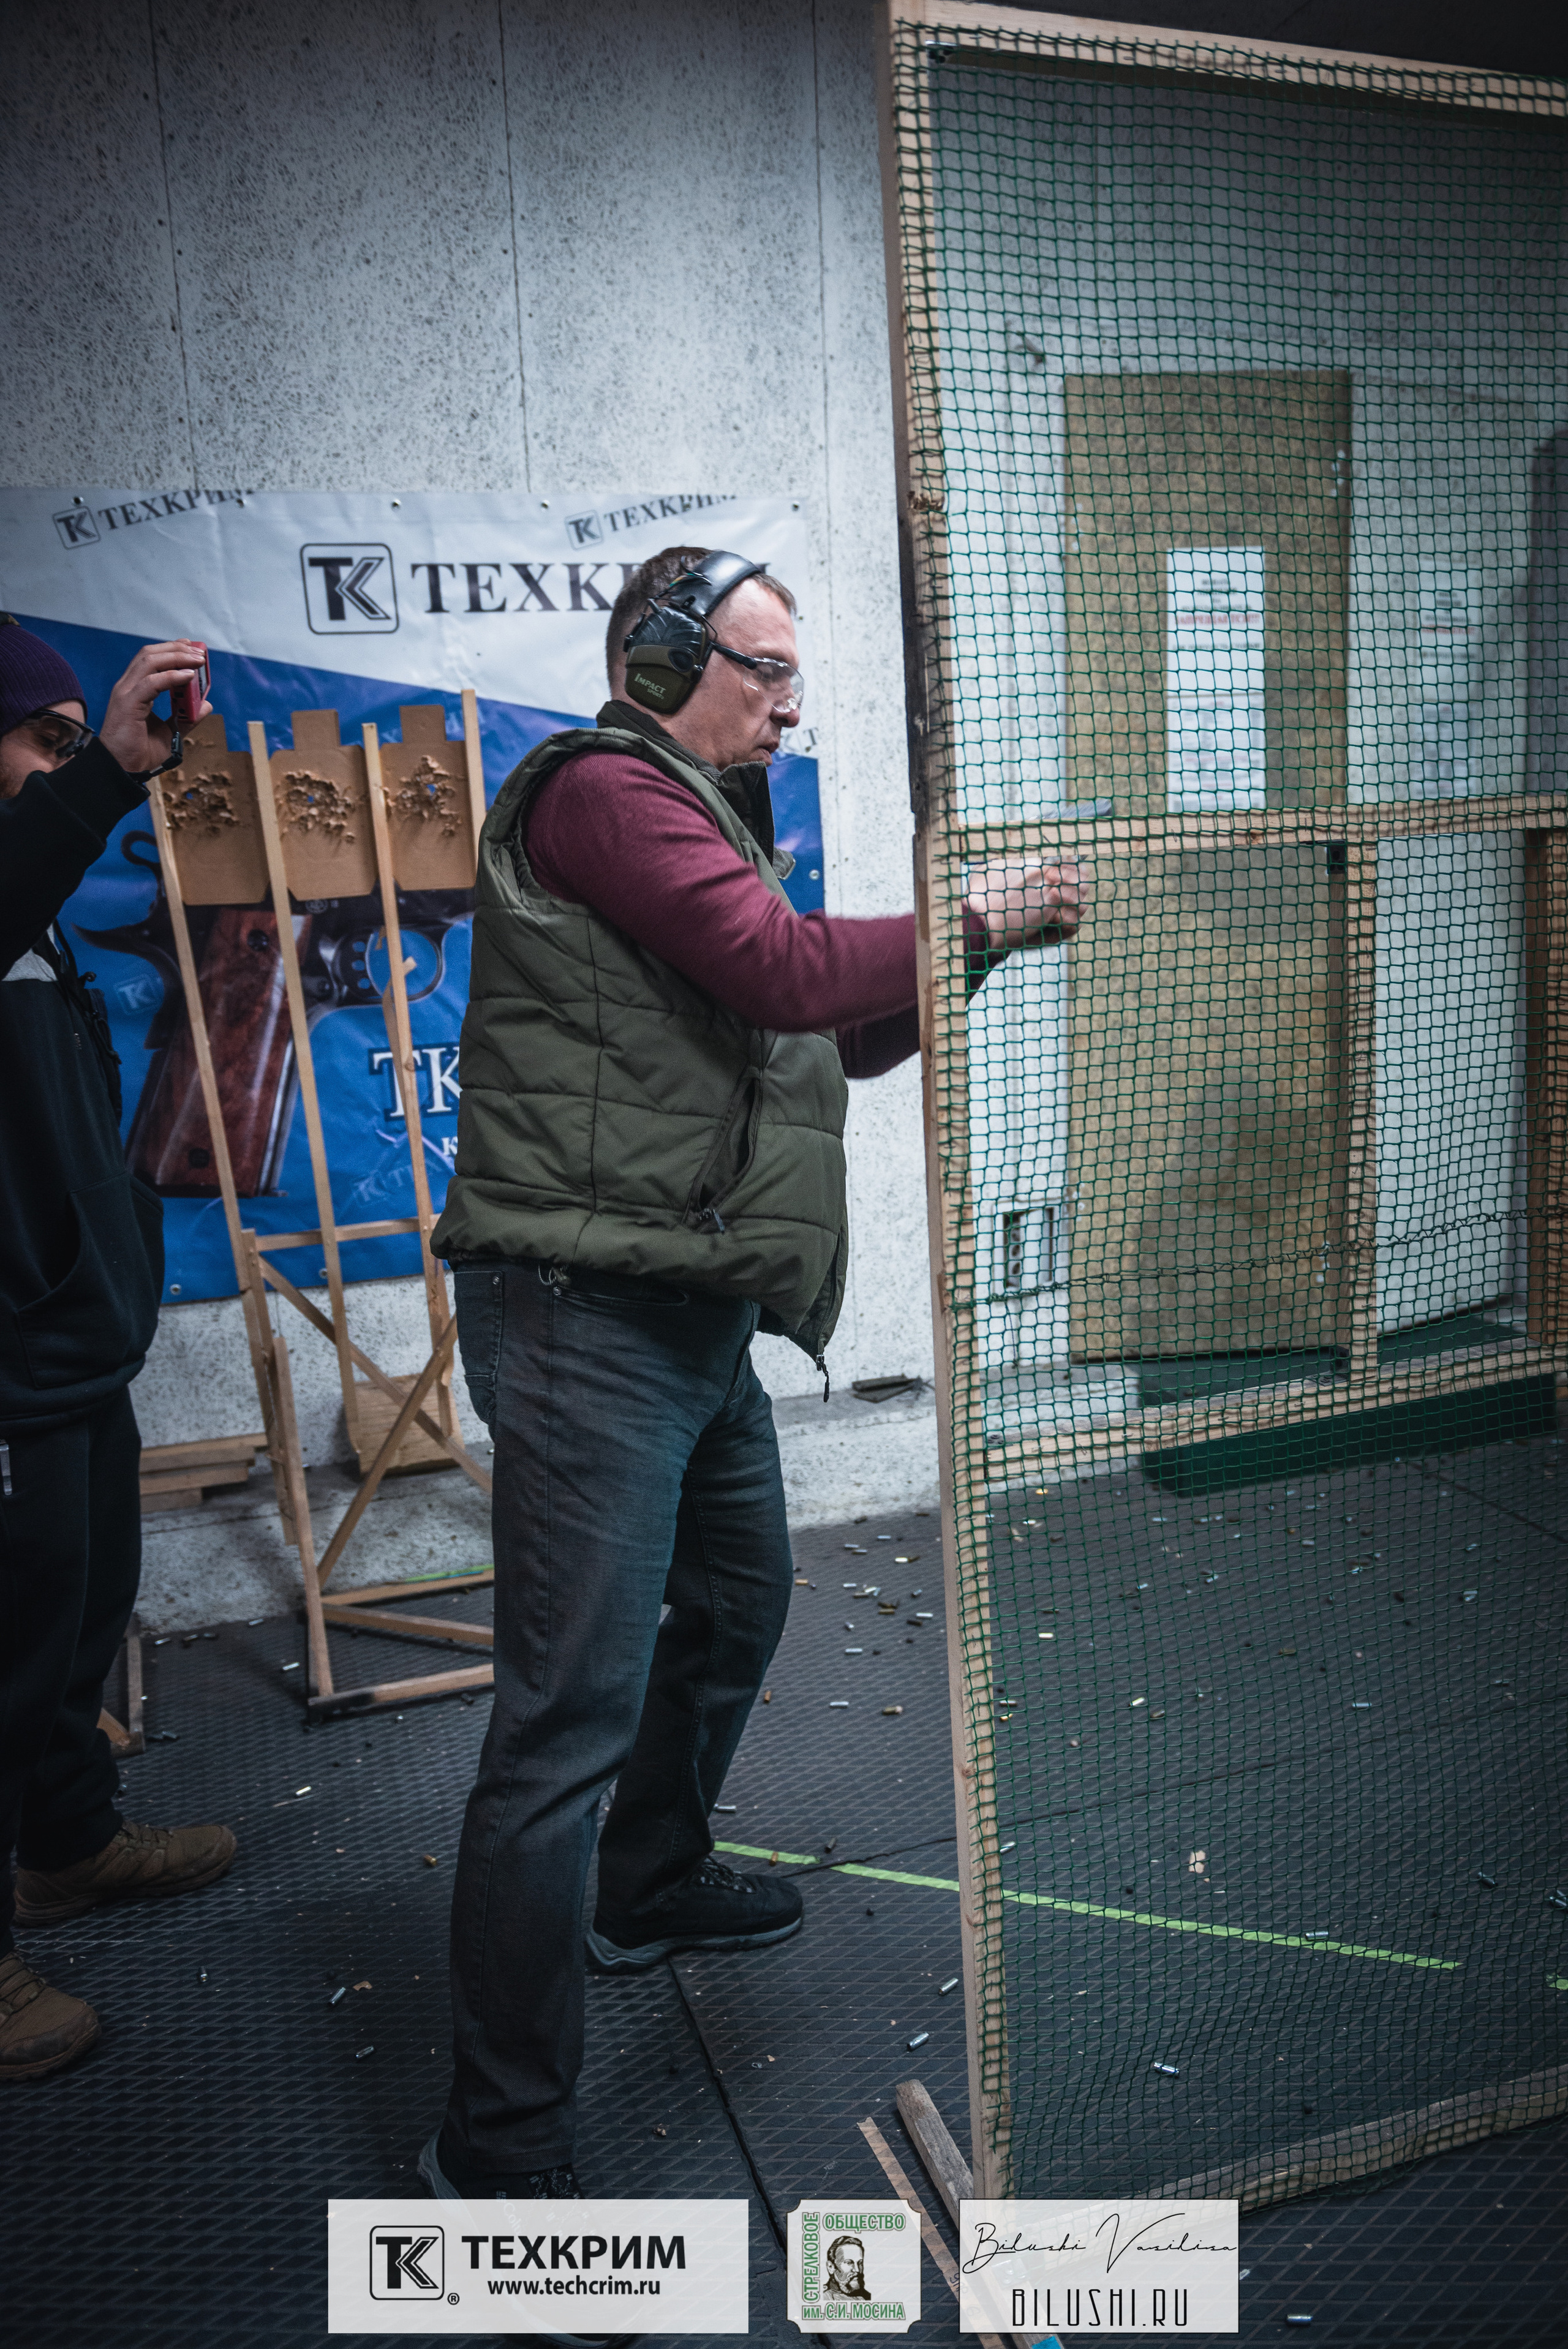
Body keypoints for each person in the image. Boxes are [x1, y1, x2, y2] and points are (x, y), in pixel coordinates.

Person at [420, 548, 1079, 2209]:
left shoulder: (711, 812)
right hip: (587, 1320)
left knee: (738, 1601)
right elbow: (789, 972)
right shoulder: (604, 797)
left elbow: (826, 1028)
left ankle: (644, 1884)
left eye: (794, 670)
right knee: (559, 1726)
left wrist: (974, 951)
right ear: (655, 664)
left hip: (685, 1307)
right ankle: (494, 2149)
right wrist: (976, 911)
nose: (789, 699)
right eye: (759, 667)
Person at [0, 617, 237, 2084]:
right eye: (43, 735)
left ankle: (69, 1848)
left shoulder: (26, 916)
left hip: (68, 1359)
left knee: (74, 1625)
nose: (64, 766)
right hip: (8, 1372)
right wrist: (99, 783)